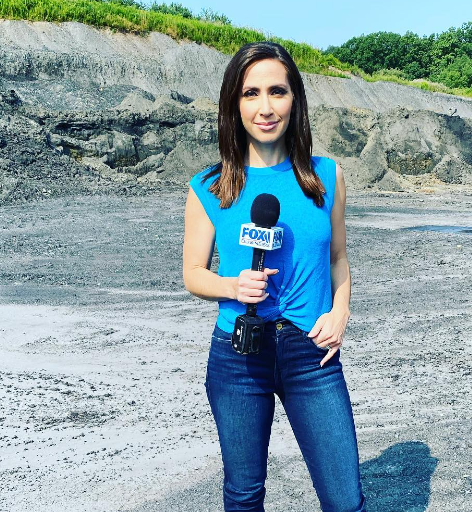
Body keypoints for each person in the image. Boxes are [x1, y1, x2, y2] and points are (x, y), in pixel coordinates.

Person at [183, 41, 367, 512]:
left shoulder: (327, 177)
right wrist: (232, 286)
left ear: (294, 99)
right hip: (239, 356)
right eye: (251, 93)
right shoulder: (209, 186)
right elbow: (193, 273)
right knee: (244, 495)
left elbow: (339, 258)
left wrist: (341, 311)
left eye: (277, 92)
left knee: (345, 500)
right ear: (234, 104)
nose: (265, 108)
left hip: (312, 354)